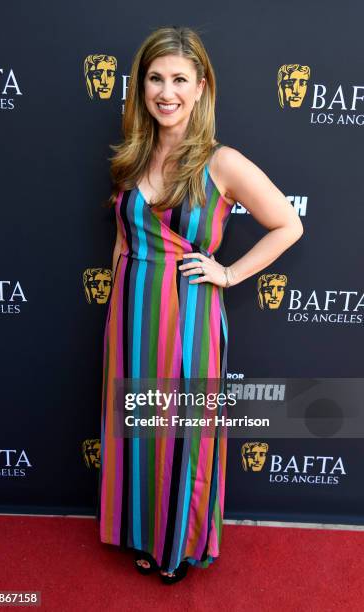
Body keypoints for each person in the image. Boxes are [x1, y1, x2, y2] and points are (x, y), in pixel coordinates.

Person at [99, 25, 303, 585]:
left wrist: (230, 273)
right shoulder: (132, 155)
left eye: (180, 79)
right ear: (141, 86)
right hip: (131, 316)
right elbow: (123, 236)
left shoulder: (222, 163)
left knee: (183, 435)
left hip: (187, 317)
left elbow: (290, 224)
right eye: (155, 78)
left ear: (201, 86)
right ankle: (142, 530)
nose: (167, 92)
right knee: (138, 428)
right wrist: (118, 300)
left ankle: (177, 548)